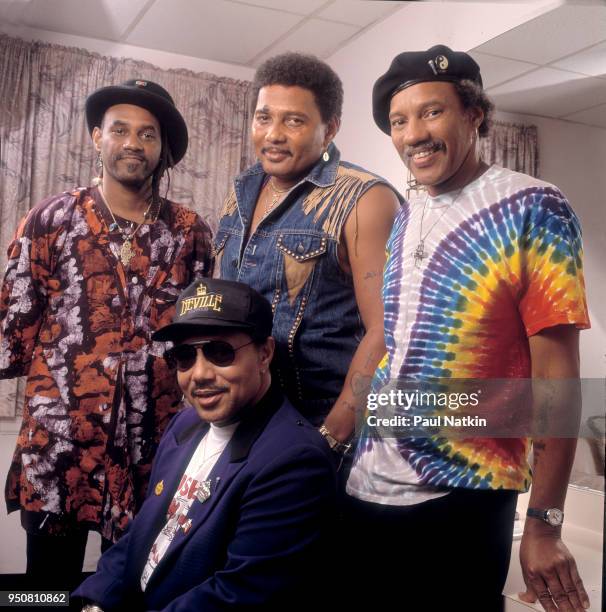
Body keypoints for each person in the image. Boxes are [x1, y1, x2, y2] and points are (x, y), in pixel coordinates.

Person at [345, 45, 591, 611]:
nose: (413, 135)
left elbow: (557, 374)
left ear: (474, 114)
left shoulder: (533, 205)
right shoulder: (406, 214)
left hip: (460, 499)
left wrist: (546, 524)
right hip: (364, 490)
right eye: (399, 122)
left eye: (432, 112)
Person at [0, 79, 213, 593]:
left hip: (153, 445)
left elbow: (200, 339)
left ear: (163, 150)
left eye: (148, 134)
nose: (133, 143)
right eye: (120, 130)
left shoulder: (189, 233)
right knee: (44, 586)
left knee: (138, 582)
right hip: (61, 446)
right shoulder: (50, 219)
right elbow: (13, 327)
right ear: (97, 137)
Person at [73, 278, 336, 611]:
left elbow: (236, 595)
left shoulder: (294, 460)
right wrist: (94, 602)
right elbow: (142, 534)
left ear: (264, 353)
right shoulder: (186, 424)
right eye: (185, 356)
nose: (199, 374)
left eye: (219, 352)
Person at [214, 53, 402, 455]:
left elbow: (386, 333)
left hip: (320, 430)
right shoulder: (241, 191)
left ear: (329, 129)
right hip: (244, 425)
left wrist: (330, 439)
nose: (274, 134)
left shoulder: (364, 198)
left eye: (294, 121)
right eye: (264, 118)